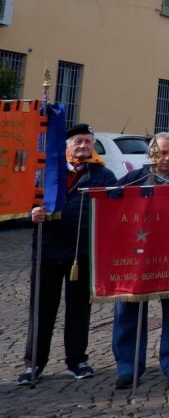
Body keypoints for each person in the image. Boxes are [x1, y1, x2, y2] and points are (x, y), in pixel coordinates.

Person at [20, 123, 115, 385]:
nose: (83, 146)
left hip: (81, 254)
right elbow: (21, 207)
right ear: (67, 146)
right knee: (41, 310)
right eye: (78, 141)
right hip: (47, 252)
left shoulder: (103, 176)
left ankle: (77, 360)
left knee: (79, 310)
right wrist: (31, 215)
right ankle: (33, 363)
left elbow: (117, 209)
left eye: (88, 141)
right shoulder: (46, 173)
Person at [110, 132, 169, 389]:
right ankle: (128, 367)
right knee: (128, 310)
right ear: (151, 153)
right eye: (162, 152)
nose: (167, 158)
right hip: (136, 257)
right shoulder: (132, 179)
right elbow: (111, 208)